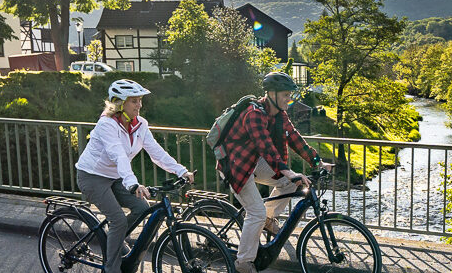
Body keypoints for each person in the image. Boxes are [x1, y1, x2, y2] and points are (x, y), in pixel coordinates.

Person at [74, 79, 194, 273]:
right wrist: (133, 184)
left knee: (141, 207)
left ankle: (114, 238)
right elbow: (118, 155)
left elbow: (156, 152)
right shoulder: (107, 124)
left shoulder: (140, 124)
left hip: (116, 177)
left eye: (140, 100)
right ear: (120, 103)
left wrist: (181, 171)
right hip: (92, 177)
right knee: (118, 220)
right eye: (134, 101)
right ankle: (111, 268)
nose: (139, 105)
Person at [220, 72, 334, 273]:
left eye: (290, 95)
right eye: (285, 95)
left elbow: (296, 139)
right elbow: (265, 146)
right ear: (271, 94)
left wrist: (318, 162)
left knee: (292, 183)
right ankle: (243, 263)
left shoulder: (280, 115)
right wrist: (286, 170)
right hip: (236, 165)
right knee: (255, 212)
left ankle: (268, 218)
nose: (289, 99)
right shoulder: (253, 113)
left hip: (254, 162)